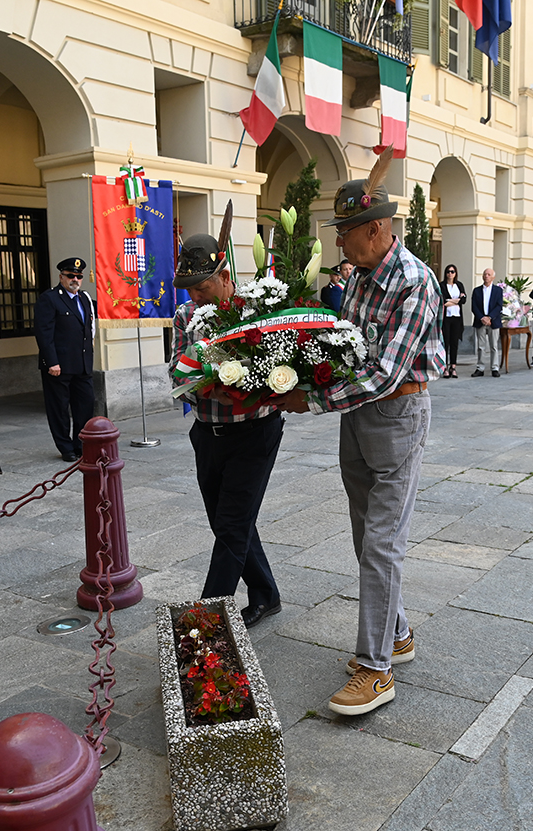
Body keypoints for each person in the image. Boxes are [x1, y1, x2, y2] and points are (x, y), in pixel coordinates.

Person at [281, 151, 443, 716]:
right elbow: (347, 346)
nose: (339, 246)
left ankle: (376, 670)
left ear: (377, 229)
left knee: (382, 541)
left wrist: (310, 398)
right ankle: (396, 634)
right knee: (363, 532)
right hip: (359, 417)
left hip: (398, 414)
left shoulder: (415, 282)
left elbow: (385, 373)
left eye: (346, 235)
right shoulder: (359, 276)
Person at [170, 206, 283, 629]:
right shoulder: (185, 316)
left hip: (255, 432)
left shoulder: (257, 312)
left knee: (233, 525)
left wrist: (216, 366)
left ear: (222, 274)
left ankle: (205, 625)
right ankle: (266, 594)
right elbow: (177, 370)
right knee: (225, 520)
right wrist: (211, 369)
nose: (193, 296)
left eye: (199, 287)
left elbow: (268, 371)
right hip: (206, 432)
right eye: (188, 288)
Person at [35, 257, 96, 462]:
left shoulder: (85, 298)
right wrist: (51, 361)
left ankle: (80, 444)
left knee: (85, 406)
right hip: (59, 365)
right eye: (70, 276)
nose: (75, 279)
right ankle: (65, 447)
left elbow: (87, 329)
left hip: (82, 364)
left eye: (78, 276)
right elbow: (44, 333)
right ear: (61, 277)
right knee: (59, 409)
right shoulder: (50, 298)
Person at [470, 268, 502, 377]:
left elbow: (499, 306)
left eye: (489, 274)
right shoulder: (477, 290)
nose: (486, 276)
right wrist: (482, 318)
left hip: (493, 322)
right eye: (485, 274)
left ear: (493, 277)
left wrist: (490, 317)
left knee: (494, 346)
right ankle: (480, 368)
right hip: (480, 321)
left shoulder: (498, 290)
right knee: (481, 346)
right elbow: (474, 307)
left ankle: (495, 368)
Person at [439, 264, 466, 379]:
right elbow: (442, 302)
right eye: (448, 272)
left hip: (457, 317)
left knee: (454, 343)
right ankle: (444, 367)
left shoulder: (459, 285)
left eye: (452, 272)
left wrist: (451, 301)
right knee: (446, 342)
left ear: (456, 273)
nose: (450, 274)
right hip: (446, 318)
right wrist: (457, 300)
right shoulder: (442, 285)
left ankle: (453, 367)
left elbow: (463, 300)